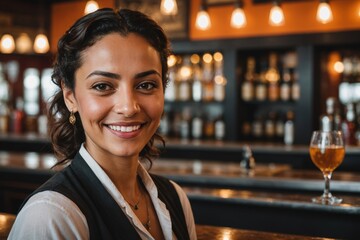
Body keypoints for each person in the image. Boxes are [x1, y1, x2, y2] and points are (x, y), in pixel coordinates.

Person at [8, 8, 196, 240]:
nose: (128, 107)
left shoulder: (176, 198)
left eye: (146, 85)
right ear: (70, 97)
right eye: (102, 86)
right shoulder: (51, 215)